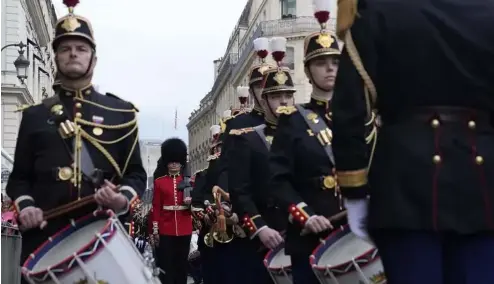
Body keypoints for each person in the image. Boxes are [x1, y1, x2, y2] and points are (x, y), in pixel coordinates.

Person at [331, 0, 494, 284]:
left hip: (404, 186)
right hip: (483, 183)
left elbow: (351, 109)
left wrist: (354, 191)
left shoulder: (378, 12)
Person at [6, 2, 146, 280]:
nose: (73, 54)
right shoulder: (35, 115)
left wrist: (120, 200)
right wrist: (27, 206)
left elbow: (135, 174)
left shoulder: (120, 113)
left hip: (102, 238)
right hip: (44, 242)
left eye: (81, 49)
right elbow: (19, 179)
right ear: (56, 57)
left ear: (93, 58)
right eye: (65, 48)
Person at [267, 9, 350, 284]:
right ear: (307, 70)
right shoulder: (291, 121)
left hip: (354, 231)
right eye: (321, 62)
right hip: (310, 235)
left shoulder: (358, 116)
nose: (330, 68)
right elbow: (278, 181)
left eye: (335, 62)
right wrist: (306, 215)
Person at [228, 36, 294, 284]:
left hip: (303, 231)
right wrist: (259, 227)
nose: (284, 101)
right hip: (268, 233)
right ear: (263, 100)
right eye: (277, 96)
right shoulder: (247, 139)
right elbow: (240, 193)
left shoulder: (305, 135)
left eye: (288, 95)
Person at [150, 137, 193, 284]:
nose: (174, 164)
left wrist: (191, 202)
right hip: (166, 229)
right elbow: (156, 207)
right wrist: (155, 230)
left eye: (177, 161)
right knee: (167, 266)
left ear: (181, 162)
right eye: (171, 161)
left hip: (184, 228)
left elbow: (197, 203)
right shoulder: (159, 182)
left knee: (181, 266)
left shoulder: (189, 182)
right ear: (167, 163)